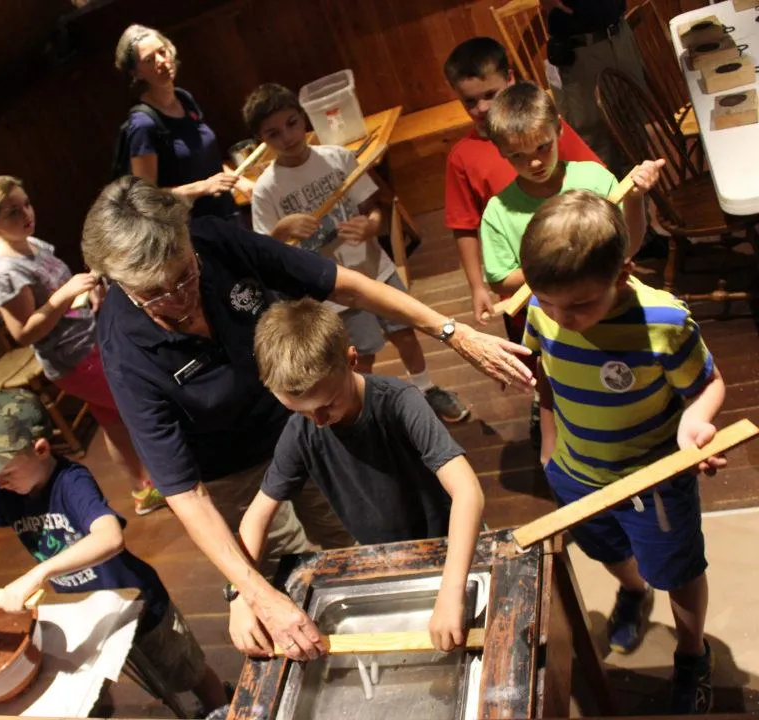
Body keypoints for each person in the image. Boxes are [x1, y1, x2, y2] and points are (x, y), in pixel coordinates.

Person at [81, 176, 534, 660]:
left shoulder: (217, 241)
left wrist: (452, 332)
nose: (179, 298)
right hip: (230, 462)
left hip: (296, 419)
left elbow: (346, 286)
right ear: (116, 281)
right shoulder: (124, 349)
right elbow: (184, 492)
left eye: (186, 275)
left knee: (341, 535)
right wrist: (247, 592)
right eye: (156, 294)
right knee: (274, 570)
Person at [0, 389, 228, 715]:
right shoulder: (7, 494)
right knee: (94, 689)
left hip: (137, 604)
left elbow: (108, 538)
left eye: (5, 473)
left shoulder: (71, 482)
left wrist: (37, 573)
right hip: (83, 611)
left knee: (188, 673)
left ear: (42, 450)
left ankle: (221, 707)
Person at [522, 190, 722, 714]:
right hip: (574, 470)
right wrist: (548, 444)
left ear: (623, 270)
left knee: (677, 570)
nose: (563, 318)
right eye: (550, 302)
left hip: (652, 479)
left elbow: (708, 384)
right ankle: (633, 590)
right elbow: (544, 375)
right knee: (605, 548)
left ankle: (691, 652)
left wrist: (696, 422)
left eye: (581, 305)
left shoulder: (664, 320)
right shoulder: (544, 309)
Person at [230, 297, 484, 656]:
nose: (317, 420)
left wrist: (451, 589)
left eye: (327, 405)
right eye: (300, 411)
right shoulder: (301, 430)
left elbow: (467, 491)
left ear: (351, 360)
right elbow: (256, 517)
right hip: (385, 558)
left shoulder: (400, 402)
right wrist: (241, 594)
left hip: (453, 547)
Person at [241, 83, 469, 423]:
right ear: (263, 141)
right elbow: (266, 250)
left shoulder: (339, 158)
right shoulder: (266, 190)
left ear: (303, 119)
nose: (288, 136)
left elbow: (375, 210)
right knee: (359, 354)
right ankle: (366, 406)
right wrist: (284, 229)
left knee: (404, 332)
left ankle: (425, 390)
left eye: (292, 123)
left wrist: (370, 226)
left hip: (374, 267)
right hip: (331, 287)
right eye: (273, 134)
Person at [480, 82, 663, 447]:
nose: (534, 161)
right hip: (557, 327)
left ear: (559, 129)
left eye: (543, 147)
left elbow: (629, 246)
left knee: (637, 387)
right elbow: (501, 282)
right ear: (500, 151)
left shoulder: (593, 179)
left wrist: (636, 199)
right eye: (517, 155)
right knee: (574, 397)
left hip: (615, 311)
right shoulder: (498, 212)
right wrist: (564, 261)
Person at [0, 175, 165, 516]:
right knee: (144, 402)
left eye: (26, 204)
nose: (26, 215)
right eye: (13, 212)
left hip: (88, 340)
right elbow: (24, 333)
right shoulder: (5, 272)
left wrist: (85, 290)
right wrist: (66, 293)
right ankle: (179, 472)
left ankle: (143, 491)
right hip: (75, 359)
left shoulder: (30, 243)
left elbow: (60, 290)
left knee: (114, 422)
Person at [442, 36, 601, 327]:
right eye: (469, 101)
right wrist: (477, 286)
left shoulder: (543, 132)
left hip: (584, 266)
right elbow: (464, 226)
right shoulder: (461, 157)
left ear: (510, 79)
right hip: (528, 292)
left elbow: (594, 178)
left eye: (490, 94)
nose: (481, 108)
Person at [114, 24, 252, 220]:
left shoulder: (184, 99)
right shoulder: (143, 125)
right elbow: (146, 199)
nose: (161, 61)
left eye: (162, 52)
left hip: (226, 213)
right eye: (149, 60)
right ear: (136, 73)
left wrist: (238, 181)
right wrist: (203, 187)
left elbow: (206, 162)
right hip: (192, 229)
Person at [541, 0, 647, 175]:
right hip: (581, 50)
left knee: (635, 131)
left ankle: (641, 199)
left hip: (619, 33)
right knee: (598, 144)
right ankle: (609, 201)